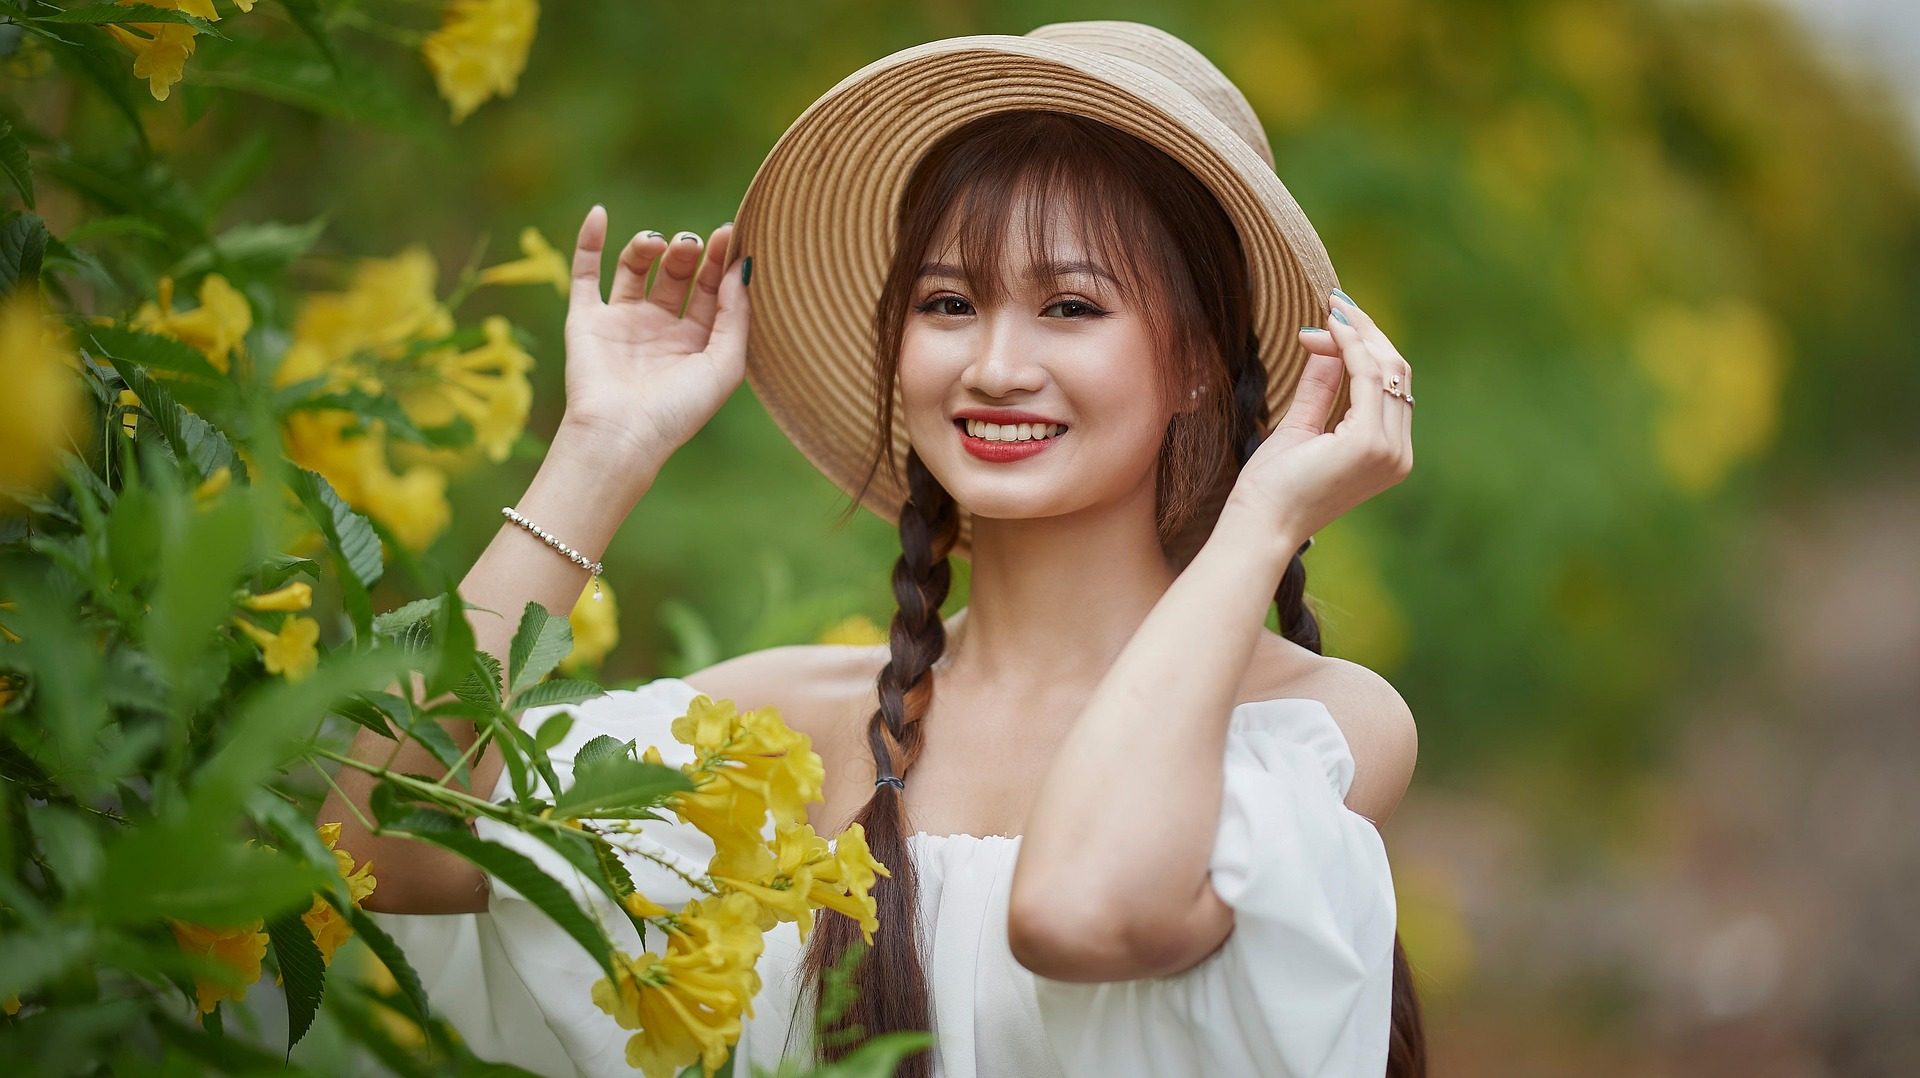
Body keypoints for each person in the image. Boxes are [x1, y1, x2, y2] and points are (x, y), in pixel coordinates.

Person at [323, 19, 1423, 1078]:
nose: (993, 364)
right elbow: (369, 841)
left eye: (1070, 306)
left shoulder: (1313, 729)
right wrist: (600, 451)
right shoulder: (783, 730)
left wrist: (1263, 515)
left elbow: (1080, 909)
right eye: (950, 301)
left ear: (1197, 363)